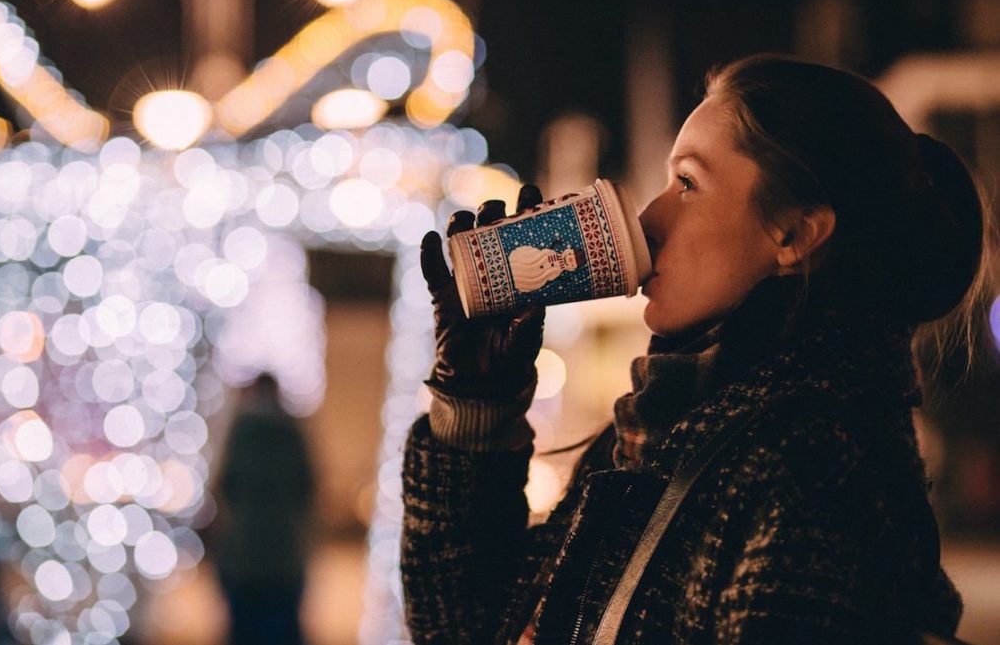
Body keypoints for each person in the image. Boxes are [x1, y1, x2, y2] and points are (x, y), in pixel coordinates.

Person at [400, 54, 991, 643]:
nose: (650, 218)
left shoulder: (816, 470)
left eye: (688, 182)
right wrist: (478, 403)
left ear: (794, 234)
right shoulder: (664, 430)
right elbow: (465, 629)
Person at [210, 373, 316, 645]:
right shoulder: (288, 433)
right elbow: (306, 488)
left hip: (252, 555)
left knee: (248, 628)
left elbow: (226, 486)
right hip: (279, 555)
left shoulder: (243, 433)